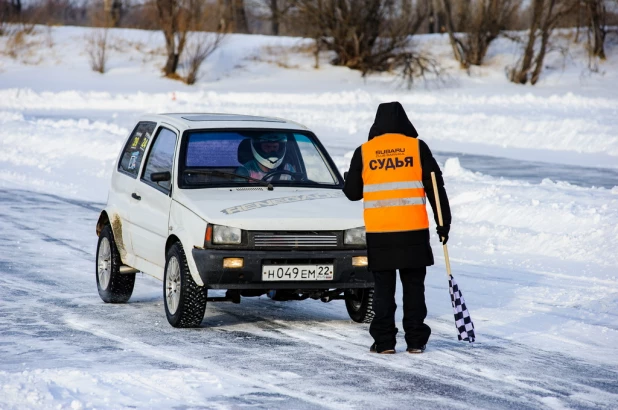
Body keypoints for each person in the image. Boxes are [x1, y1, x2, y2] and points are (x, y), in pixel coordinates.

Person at [343, 101, 451, 354]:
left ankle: (384, 343)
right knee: (414, 290)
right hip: (414, 232)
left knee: (383, 291)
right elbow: (436, 188)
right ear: (404, 122)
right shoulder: (417, 147)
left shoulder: (365, 151)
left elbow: (352, 194)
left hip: (381, 234)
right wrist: (443, 223)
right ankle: (415, 341)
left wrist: (350, 176)